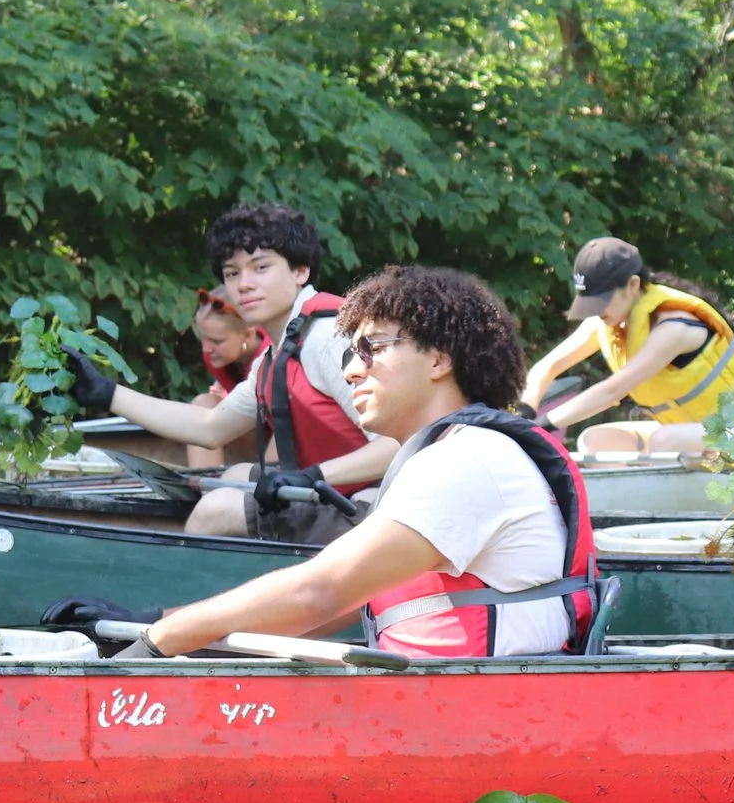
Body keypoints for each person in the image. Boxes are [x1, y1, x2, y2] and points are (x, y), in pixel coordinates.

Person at [62, 266, 595, 659]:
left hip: (481, 713)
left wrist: (158, 642)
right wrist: (149, 624)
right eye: (350, 355)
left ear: (439, 359)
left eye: (374, 350)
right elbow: (334, 607)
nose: (355, 371)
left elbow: (321, 592)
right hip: (453, 703)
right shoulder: (452, 452)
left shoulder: (469, 460)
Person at [69, 203, 396, 541]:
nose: (244, 284)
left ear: (301, 271)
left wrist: (313, 476)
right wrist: (106, 393)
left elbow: (400, 443)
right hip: (339, 493)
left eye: (261, 267)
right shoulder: (279, 349)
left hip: (377, 508)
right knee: (235, 475)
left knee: (216, 511)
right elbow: (210, 427)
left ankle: (191, 592)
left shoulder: (326, 339)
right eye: (232, 273)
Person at [519, 237, 734, 457]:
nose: (596, 309)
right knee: (593, 441)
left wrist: (541, 427)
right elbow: (547, 367)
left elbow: (612, 390)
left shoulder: (673, 328)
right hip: (688, 433)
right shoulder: (608, 319)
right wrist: (523, 414)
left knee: (664, 441)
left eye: (602, 300)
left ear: (633, 285)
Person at [184, 289, 262, 470]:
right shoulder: (217, 357)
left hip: (287, 437)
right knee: (204, 404)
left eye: (216, 341)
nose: (206, 349)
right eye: (202, 338)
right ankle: (205, 487)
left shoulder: (271, 357)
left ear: (248, 335)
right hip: (255, 429)